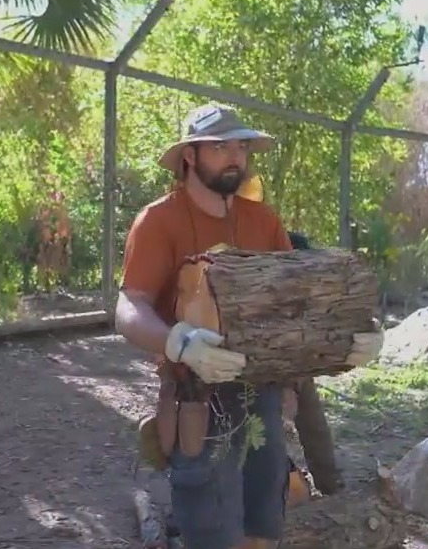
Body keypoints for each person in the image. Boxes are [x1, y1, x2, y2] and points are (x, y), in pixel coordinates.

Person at [114, 102, 382, 549]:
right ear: (190, 156)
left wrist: (354, 335)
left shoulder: (265, 220)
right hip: (195, 395)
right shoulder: (158, 220)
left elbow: (298, 303)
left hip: (265, 389)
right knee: (208, 521)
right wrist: (178, 342)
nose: (235, 156)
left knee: (263, 518)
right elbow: (129, 306)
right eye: (220, 147)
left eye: (241, 146)